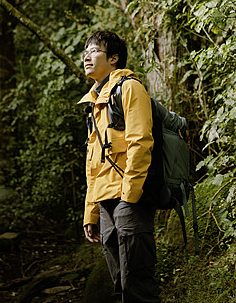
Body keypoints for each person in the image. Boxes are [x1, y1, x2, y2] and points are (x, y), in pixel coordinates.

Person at [79, 30, 160, 302]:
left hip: (129, 199)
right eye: (85, 52)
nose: (86, 56)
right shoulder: (94, 102)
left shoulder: (129, 88)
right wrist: (91, 212)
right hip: (105, 204)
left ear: (113, 58)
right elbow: (94, 165)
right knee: (119, 288)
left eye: (94, 51)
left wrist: (130, 196)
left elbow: (140, 142)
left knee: (138, 287)